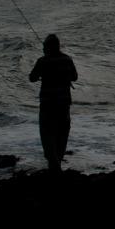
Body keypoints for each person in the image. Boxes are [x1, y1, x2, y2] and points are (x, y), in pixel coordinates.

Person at [28, 33, 78, 173]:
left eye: (44, 46)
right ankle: (58, 161)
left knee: (47, 133)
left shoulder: (43, 61)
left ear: (48, 47)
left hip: (48, 104)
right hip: (64, 103)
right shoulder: (67, 59)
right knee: (62, 132)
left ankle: (53, 163)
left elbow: (32, 78)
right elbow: (74, 77)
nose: (43, 49)